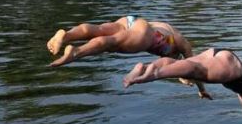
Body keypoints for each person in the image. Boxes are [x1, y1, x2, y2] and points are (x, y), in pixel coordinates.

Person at [46, 16, 207, 97]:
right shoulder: (179, 45)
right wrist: (201, 90)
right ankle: (76, 52)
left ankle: (66, 35)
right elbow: (192, 68)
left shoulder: (170, 32)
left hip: (132, 21)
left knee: (98, 29)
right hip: (149, 36)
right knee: (110, 43)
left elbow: (177, 68)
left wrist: (190, 83)